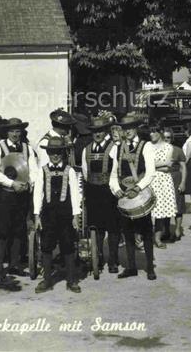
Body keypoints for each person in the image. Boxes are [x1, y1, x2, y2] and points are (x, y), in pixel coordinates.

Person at [0, 118, 39, 284]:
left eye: (18, 131)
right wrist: (12, 183)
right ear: (7, 132)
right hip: (4, 194)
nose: (15, 134)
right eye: (12, 131)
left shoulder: (27, 148)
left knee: (18, 229)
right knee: (1, 231)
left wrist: (29, 184)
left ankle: (15, 265)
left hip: (22, 194)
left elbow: (34, 170)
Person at [109, 115, 157, 280]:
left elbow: (150, 172)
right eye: (124, 128)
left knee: (146, 232)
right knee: (127, 232)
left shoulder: (147, 146)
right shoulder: (117, 148)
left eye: (130, 128)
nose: (127, 131)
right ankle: (131, 267)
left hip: (140, 193)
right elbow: (114, 173)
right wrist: (115, 189)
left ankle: (150, 267)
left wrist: (138, 187)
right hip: (125, 195)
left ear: (135, 128)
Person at [34, 137, 82, 293]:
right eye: (52, 152)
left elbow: (75, 194)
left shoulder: (70, 171)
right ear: (48, 153)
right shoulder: (42, 170)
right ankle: (47, 280)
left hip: (66, 215)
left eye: (58, 152)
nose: (55, 156)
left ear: (63, 153)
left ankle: (71, 280)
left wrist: (76, 215)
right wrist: (37, 215)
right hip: (48, 214)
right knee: (46, 246)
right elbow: (37, 194)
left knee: (68, 245)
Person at [81, 116, 120, 273]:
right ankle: (98, 257)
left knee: (113, 228)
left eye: (100, 131)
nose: (97, 134)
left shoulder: (114, 148)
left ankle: (113, 260)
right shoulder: (87, 149)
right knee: (95, 227)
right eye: (95, 131)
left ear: (105, 132)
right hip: (93, 192)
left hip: (109, 192)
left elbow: (116, 170)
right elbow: (85, 172)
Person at [148, 125, 178, 248]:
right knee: (147, 211)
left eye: (154, 131)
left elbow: (168, 166)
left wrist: (152, 164)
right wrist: (160, 164)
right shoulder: (147, 146)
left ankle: (158, 238)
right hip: (149, 179)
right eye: (150, 132)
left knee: (160, 213)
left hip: (163, 181)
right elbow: (145, 164)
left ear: (160, 132)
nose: (151, 134)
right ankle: (145, 237)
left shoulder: (168, 147)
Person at [163, 128, 187, 242]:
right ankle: (166, 230)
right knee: (164, 207)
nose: (166, 139)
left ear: (171, 139)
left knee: (178, 206)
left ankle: (177, 230)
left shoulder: (178, 150)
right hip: (162, 180)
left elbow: (183, 167)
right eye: (164, 137)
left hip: (175, 179)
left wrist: (183, 182)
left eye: (168, 137)